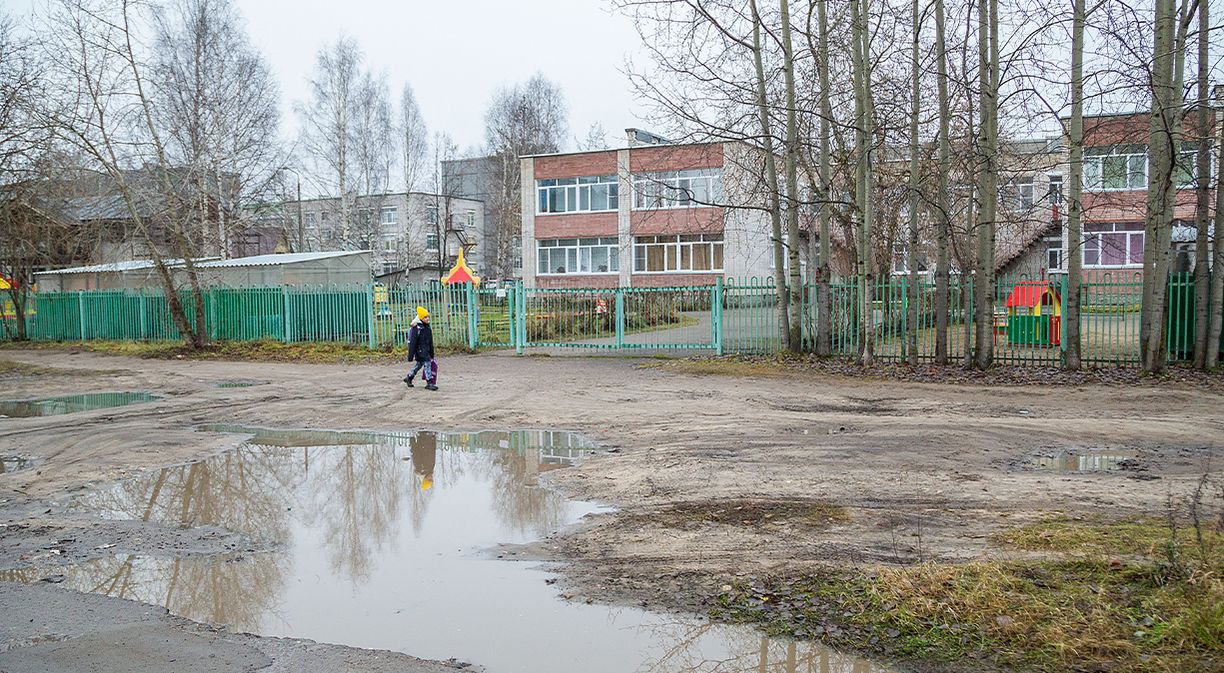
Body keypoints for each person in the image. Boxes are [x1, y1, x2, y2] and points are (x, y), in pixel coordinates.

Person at [403, 306, 437, 390]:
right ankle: (429, 382)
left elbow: (430, 341)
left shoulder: (427, 327)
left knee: (419, 365)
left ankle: (409, 377)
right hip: (420, 350)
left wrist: (431, 352)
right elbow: (413, 342)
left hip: (426, 350)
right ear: (421, 318)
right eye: (425, 317)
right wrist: (411, 355)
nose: (427, 318)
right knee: (427, 364)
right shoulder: (417, 328)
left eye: (428, 316)